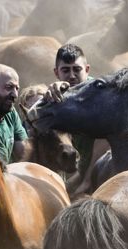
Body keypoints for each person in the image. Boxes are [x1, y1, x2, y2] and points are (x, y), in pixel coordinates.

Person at [45, 44, 110, 194]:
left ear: (87, 70)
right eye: (66, 70)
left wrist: (86, 180)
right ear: (56, 73)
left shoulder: (101, 95)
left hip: (101, 171)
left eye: (77, 69)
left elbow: (105, 139)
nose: (72, 76)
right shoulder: (54, 95)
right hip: (72, 172)